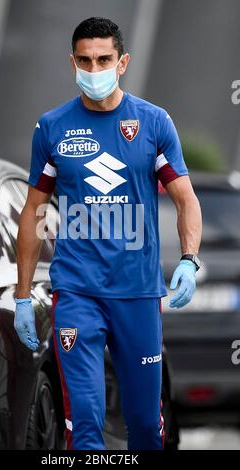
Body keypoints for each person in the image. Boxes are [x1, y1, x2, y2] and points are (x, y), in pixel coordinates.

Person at [14, 17, 202, 450]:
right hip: (77, 292)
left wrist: (189, 260)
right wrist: (23, 296)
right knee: (84, 424)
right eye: (85, 60)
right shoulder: (52, 127)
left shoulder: (153, 123)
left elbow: (186, 199)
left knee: (143, 424)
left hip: (137, 293)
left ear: (122, 63)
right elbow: (32, 211)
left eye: (103, 59)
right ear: (72, 62)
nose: (93, 69)